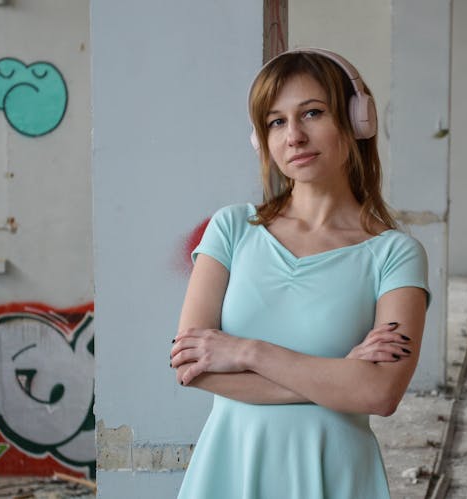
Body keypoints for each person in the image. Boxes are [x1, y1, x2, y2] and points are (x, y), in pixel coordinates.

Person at [169, 47, 430, 499]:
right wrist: (341, 377)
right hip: (231, 469)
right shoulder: (231, 229)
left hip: (333, 471)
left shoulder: (395, 254)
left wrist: (247, 351)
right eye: (276, 121)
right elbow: (192, 366)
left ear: (357, 120)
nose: (294, 136)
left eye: (312, 113)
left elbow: (381, 394)